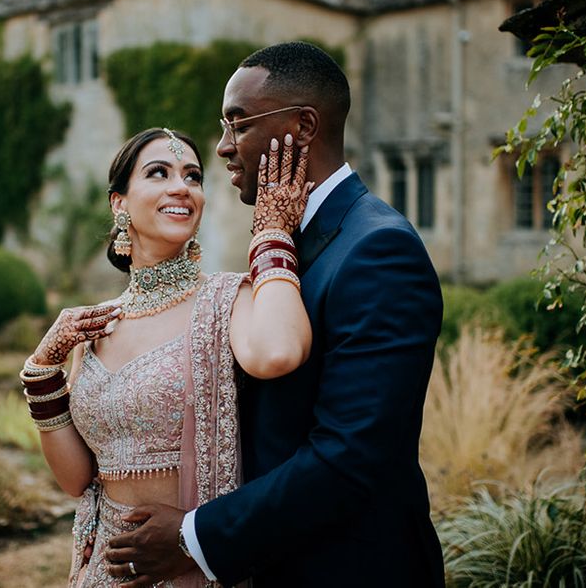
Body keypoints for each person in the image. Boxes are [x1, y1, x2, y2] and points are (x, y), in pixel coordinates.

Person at [105, 42, 446, 587]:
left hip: (348, 570)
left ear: (303, 127)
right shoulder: (287, 239)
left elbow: (350, 456)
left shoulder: (379, 250)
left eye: (238, 125)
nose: (221, 148)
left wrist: (196, 537)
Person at [20, 126, 312, 587]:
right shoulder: (96, 326)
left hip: (188, 563)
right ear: (119, 203)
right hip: (102, 568)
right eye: (159, 172)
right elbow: (78, 479)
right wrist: (41, 373)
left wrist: (272, 233)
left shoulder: (226, 299)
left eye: (193, 176)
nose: (182, 186)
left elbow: (278, 353)